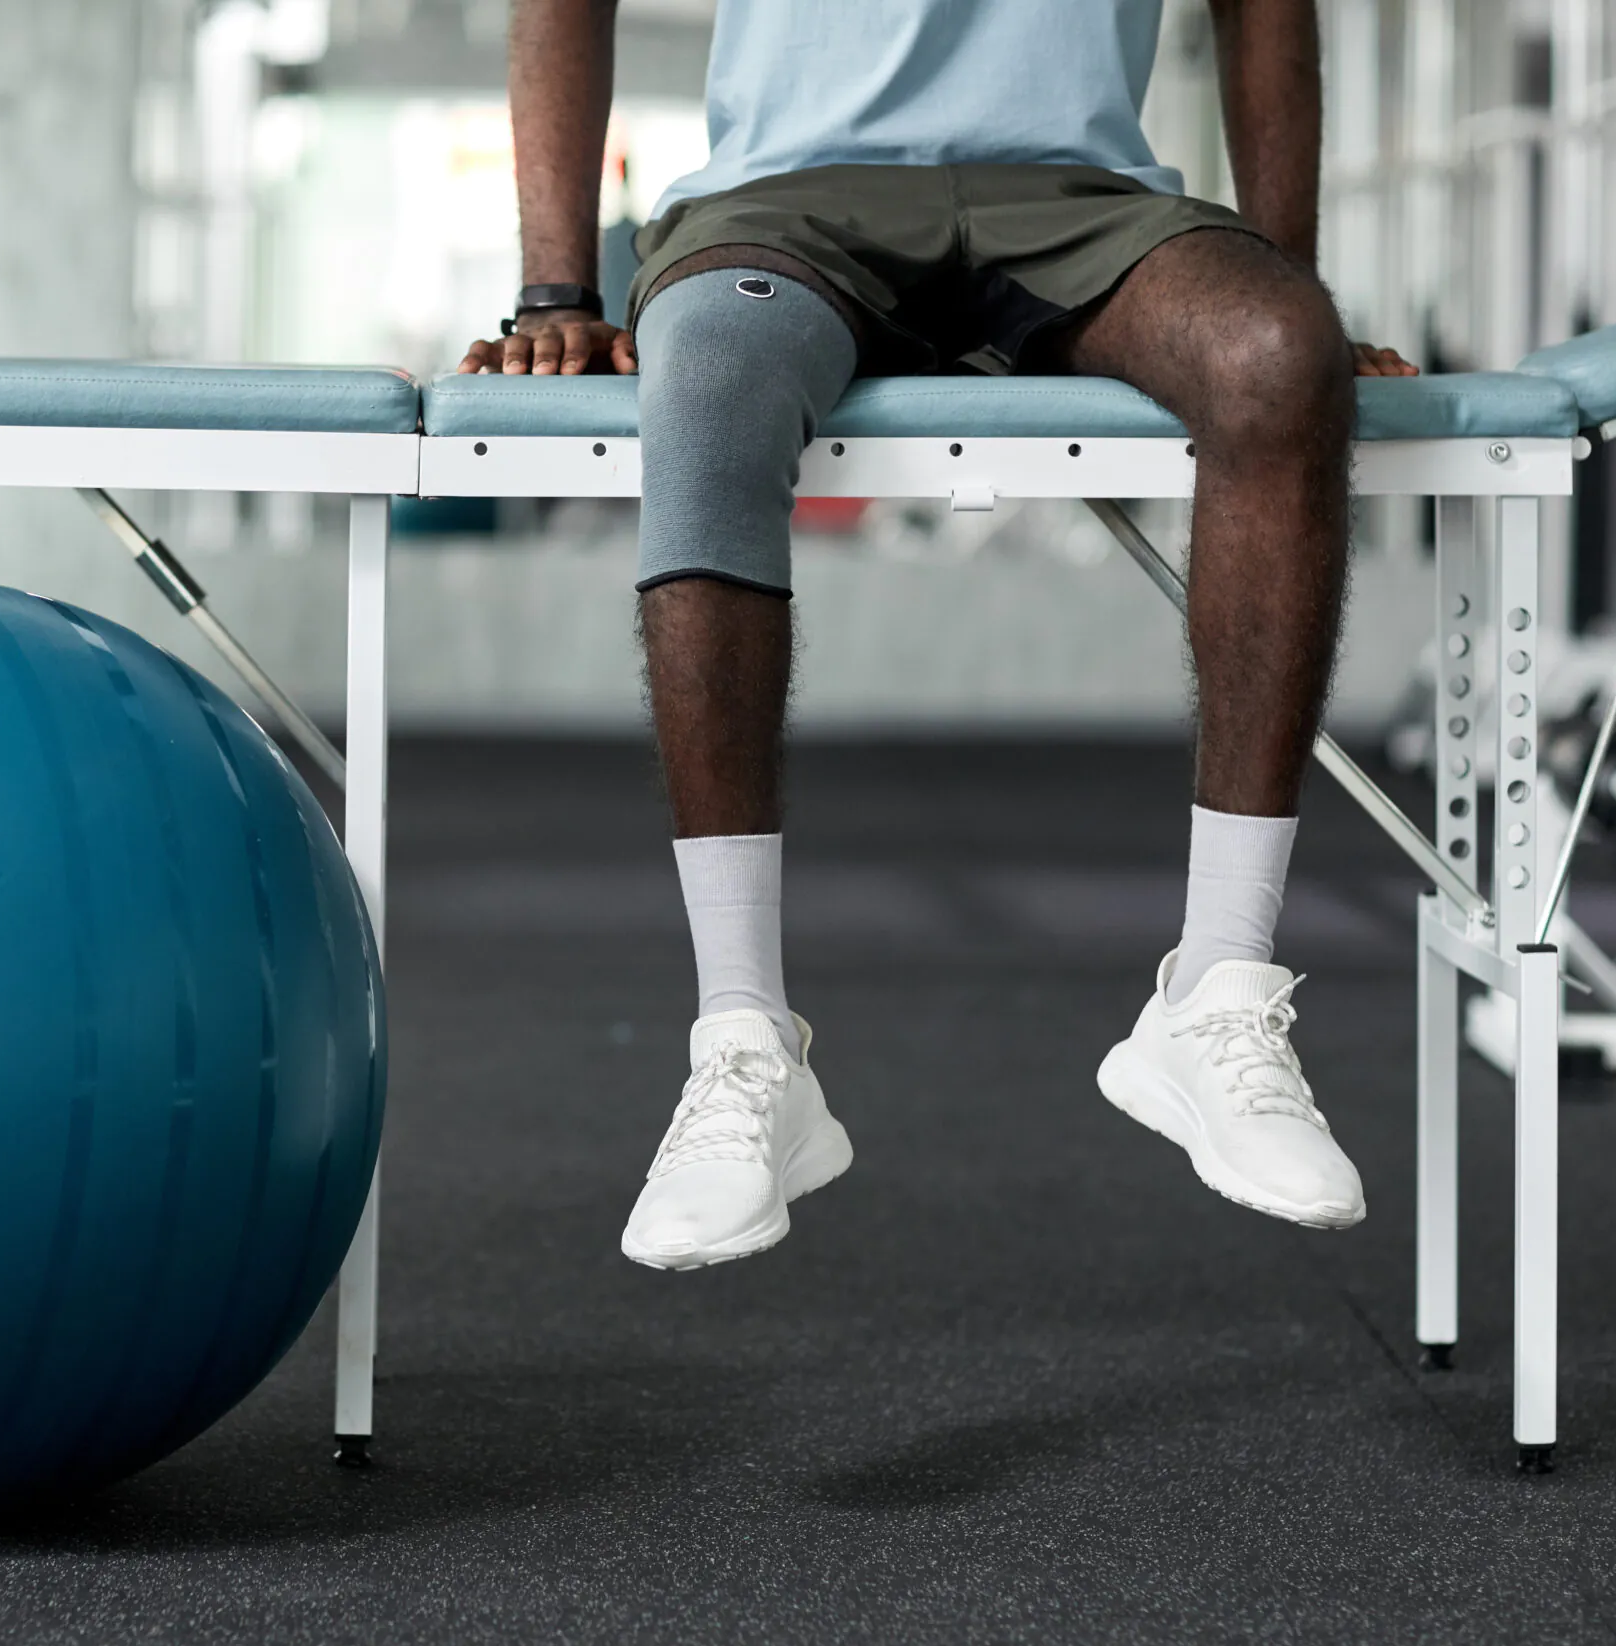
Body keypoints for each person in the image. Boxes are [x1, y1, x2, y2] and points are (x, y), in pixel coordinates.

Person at [461, 0, 1418, 1269]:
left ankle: (1218, 993)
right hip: (784, 199)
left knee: (1277, 355)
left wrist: (1286, 274)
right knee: (706, 382)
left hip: (1084, 201)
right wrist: (554, 286)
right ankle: (743, 1038)